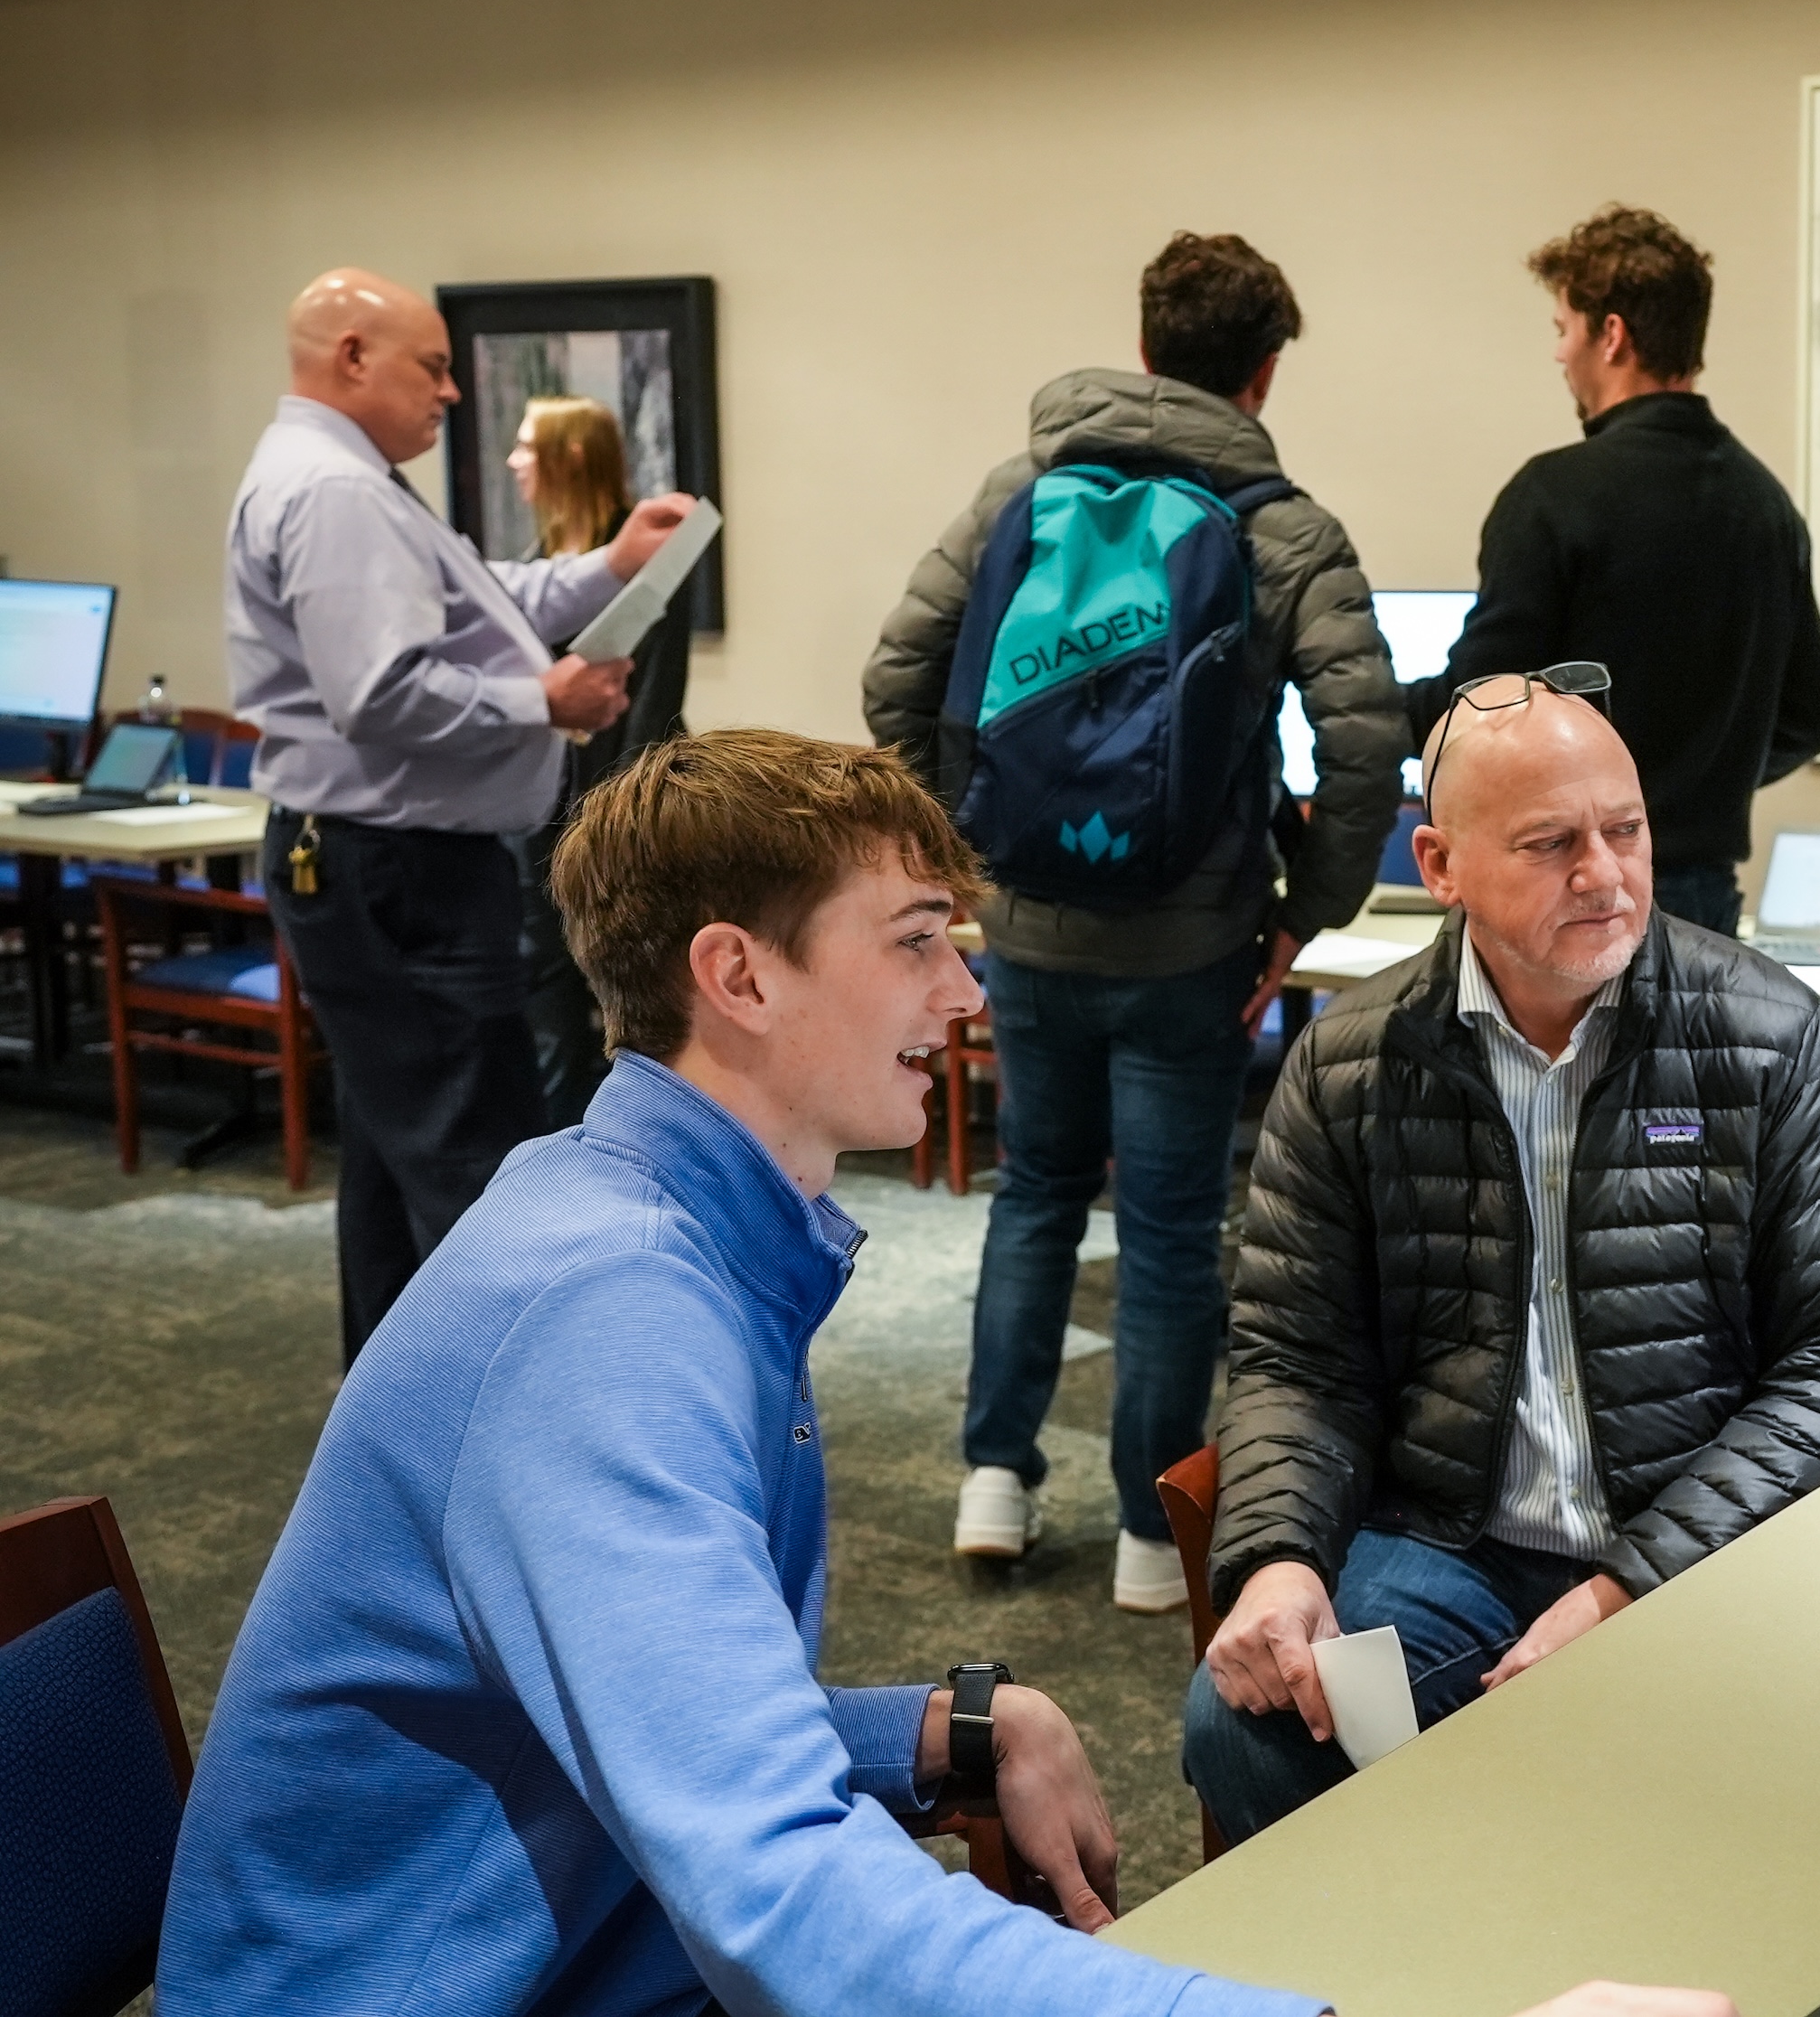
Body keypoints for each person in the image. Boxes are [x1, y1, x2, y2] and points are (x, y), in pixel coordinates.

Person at [157, 727, 1729, 2017]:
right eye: (915, 945)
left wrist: (942, 1728)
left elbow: (646, 1714)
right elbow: (778, 1882)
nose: (966, 996)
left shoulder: (648, 1232)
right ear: (740, 974)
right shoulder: (612, 1320)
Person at [1181, 675, 1820, 1843]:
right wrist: (1276, 1555)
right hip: (1454, 1540)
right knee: (1242, 1730)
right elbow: (1297, 1355)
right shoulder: (1349, 1064)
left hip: (1706, 1537)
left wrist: (1631, 1582)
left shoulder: (1774, 1039)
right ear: (1440, 862)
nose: (1607, 873)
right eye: (1551, 841)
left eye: (1624, 829)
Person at [862, 232, 1411, 1610]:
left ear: (1149, 344)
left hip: (1034, 939)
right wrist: (1304, 913)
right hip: (1193, 947)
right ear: (1264, 369)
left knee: (1032, 1198)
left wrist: (968, 855)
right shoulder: (1286, 528)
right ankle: (1150, 1538)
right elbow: (1365, 745)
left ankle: (994, 1482)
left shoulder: (1021, 490)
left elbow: (893, 679)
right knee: (1169, 1232)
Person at [223, 267, 695, 1364]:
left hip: (378, 861)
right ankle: (503, 1431)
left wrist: (610, 566)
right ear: (351, 357)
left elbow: (480, 603)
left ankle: (397, 1418)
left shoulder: (344, 477)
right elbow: (381, 694)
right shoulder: (336, 490)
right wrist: (548, 700)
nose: (450, 393)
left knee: (398, 1160)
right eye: (433, 368)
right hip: (400, 870)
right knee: (474, 1160)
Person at [1407, 207, 1820, 937]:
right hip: (1704, 904)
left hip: (1568, 895)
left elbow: (1477, 708)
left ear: (1611, 335)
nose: (1558, 354)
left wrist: (1365, 707)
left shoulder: (1552, 496)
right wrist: (1699, 787)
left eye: (1562, 329)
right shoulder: (1767, 506)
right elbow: (1805, 719)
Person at [507, 393, 693, 1128]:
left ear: (570, 455)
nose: (516, 461)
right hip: (535, 815)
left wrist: (613, 825)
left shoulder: (649, 563)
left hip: (615, 824)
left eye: (528, 445)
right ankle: (551, 1165)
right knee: (547, 1003)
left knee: (632, 1004)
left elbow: (654, 715)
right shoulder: (534, 567)